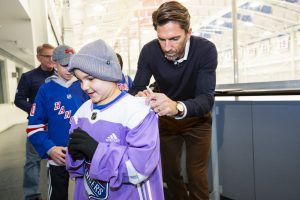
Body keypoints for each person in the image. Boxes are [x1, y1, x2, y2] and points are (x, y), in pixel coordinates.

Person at [128, 1, 218, 200]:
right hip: (166, 121)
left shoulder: (205, 50)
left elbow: (205, 99)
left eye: (174, 39)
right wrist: (138, 97)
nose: (167, 47)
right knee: (169, 173)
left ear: (189, 32)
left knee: (197, 175)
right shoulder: (150, 51)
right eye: (162, 39)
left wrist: (177, 107)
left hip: (197, 119)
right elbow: (135, 88)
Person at [66, 39, 164, 200]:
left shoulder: (138, 111)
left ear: (109, 74)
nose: (84, 87)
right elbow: (76, 171)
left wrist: (96, 151)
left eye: (90, 78)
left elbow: (139, 169)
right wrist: (74, 157)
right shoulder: (80, 114)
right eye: (80, 80)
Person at [26, 45, 89, 200]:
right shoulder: (45, 90)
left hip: (86, 154)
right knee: (57, 195)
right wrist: (49, 148)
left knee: (90, 194)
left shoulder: (85, 86)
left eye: (72, 64)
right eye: (64, 65)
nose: (69, 69)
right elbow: (34, 127)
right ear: (54, 63)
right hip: (58, 156)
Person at [15, 43, 56, 200]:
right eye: (47, 56)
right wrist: (34, 109)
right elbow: (18, 99)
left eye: (53, 56)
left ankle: (55, 192)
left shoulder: (60, 76)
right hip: (37, 126)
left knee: (55, 160)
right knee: (32, 162)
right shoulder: (28, 77)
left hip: (55, 126)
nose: (51, 59)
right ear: (39, 57)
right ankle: (31, 195)